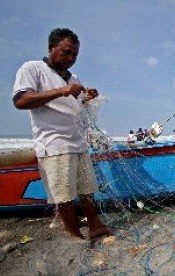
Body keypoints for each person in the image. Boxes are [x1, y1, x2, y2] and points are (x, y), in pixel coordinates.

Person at [13, 27, 112, 239]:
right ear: (51, 48)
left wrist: (87, 99)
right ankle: (76, 237)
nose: (71, 58)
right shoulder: (33, 68)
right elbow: (21, 100)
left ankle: (95, 225)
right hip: (55, 145)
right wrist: (61, 90)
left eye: (75, 54)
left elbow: (74, 107)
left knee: (87, 189)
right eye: (66, 52)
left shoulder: (73, 77)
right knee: (64, 197)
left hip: (78, 143)